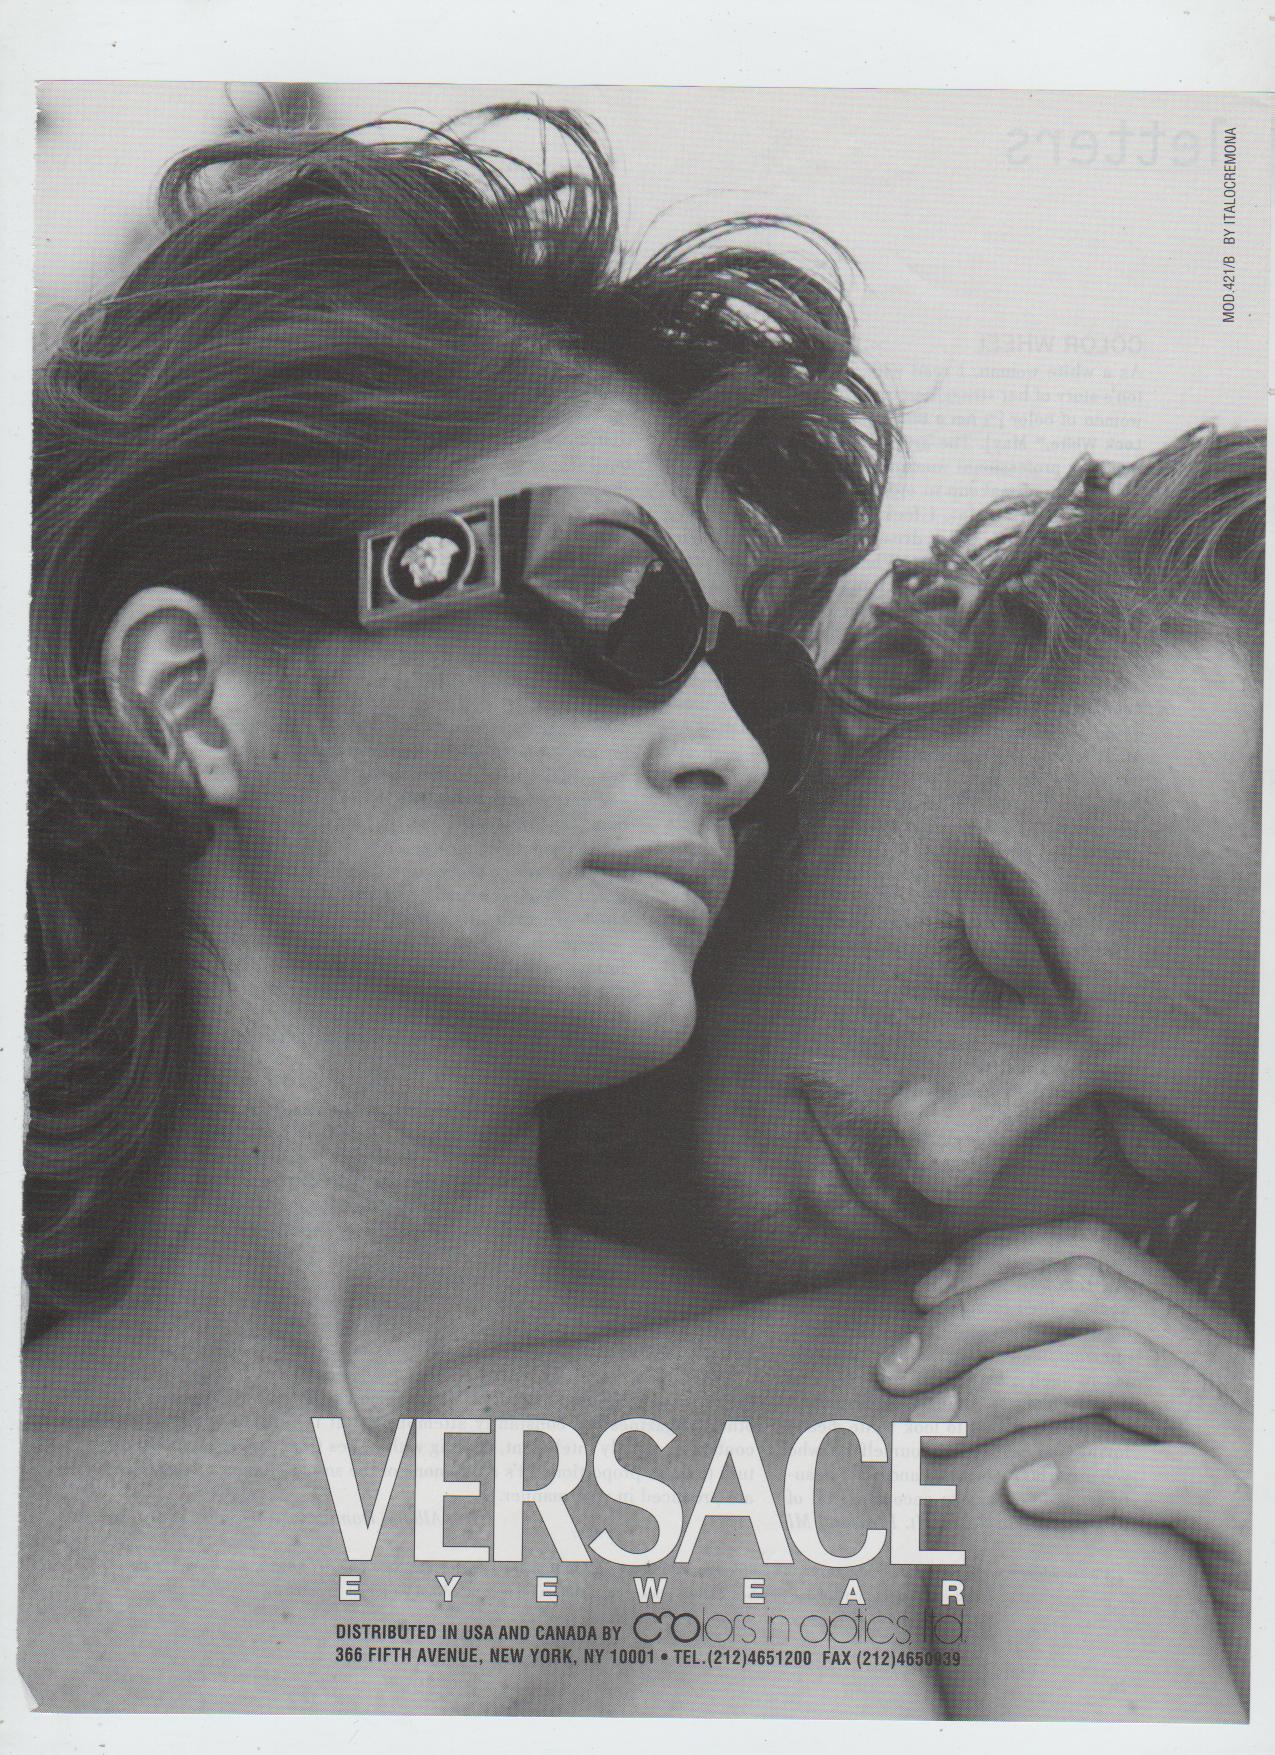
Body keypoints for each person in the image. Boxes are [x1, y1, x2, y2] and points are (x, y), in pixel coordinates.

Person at [21, 105, 899, 1713]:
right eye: (620, 600)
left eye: (754, 683)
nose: (735, 755)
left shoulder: (926, 1403)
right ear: (191, 699)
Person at [550, 425, 1259, 1714]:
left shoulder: (1043, 1449)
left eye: (1138, 1152)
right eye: (989, 960)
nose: (954, 1156)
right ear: (894, 675)